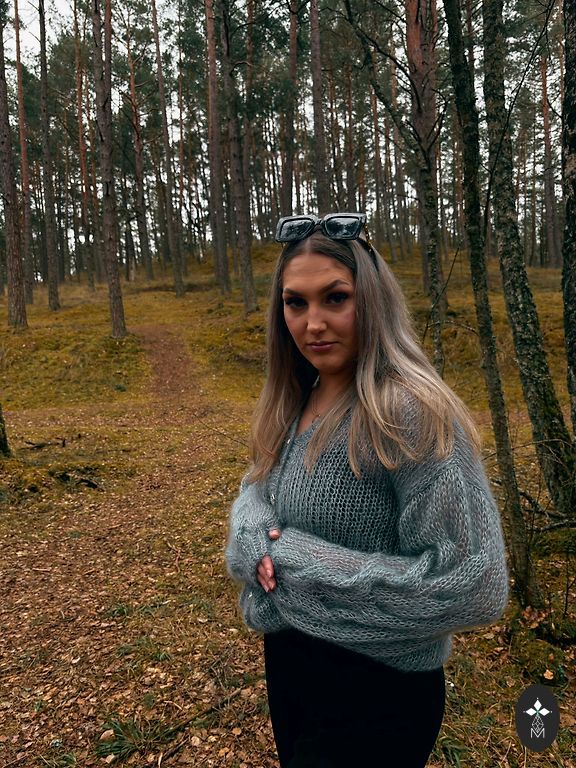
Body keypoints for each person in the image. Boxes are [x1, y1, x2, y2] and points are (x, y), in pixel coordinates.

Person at [225, 213, 509, 768]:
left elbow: (475, 582)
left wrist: (296, 562)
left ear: (372, 301)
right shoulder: (298, 397)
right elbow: (256, 486)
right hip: (293, 668)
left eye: (335, 298)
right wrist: (254, 530)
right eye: (295, 303)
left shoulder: (407, 410)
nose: (313, 323)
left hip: (375, 694)